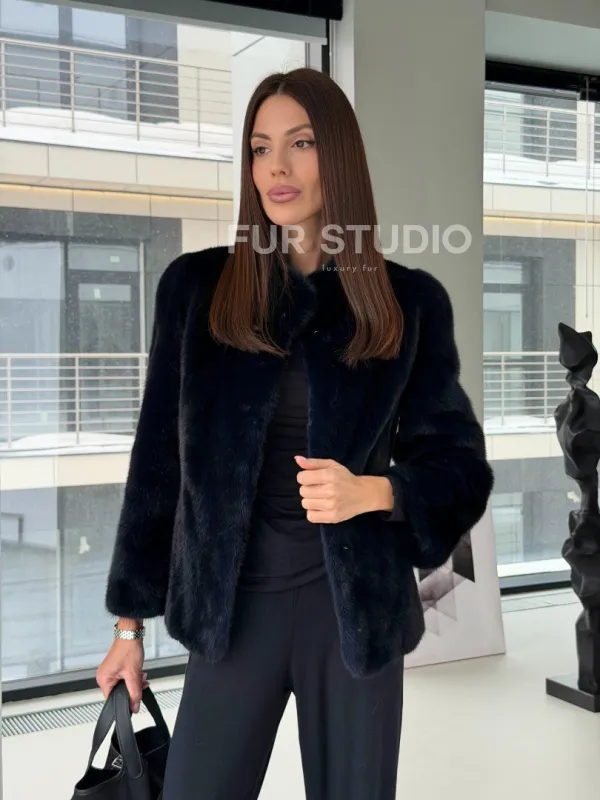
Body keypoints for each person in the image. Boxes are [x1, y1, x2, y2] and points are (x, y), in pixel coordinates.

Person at [96, 67, 494, 800]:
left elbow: (459, 468)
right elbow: (156, 465)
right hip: (231, 611)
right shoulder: (196, 290)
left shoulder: (407, 303)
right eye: (260, 148)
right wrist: (129, 628)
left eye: (301, 143)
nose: (276, 166)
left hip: (353, 619)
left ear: (337, 155)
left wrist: (375, 491)